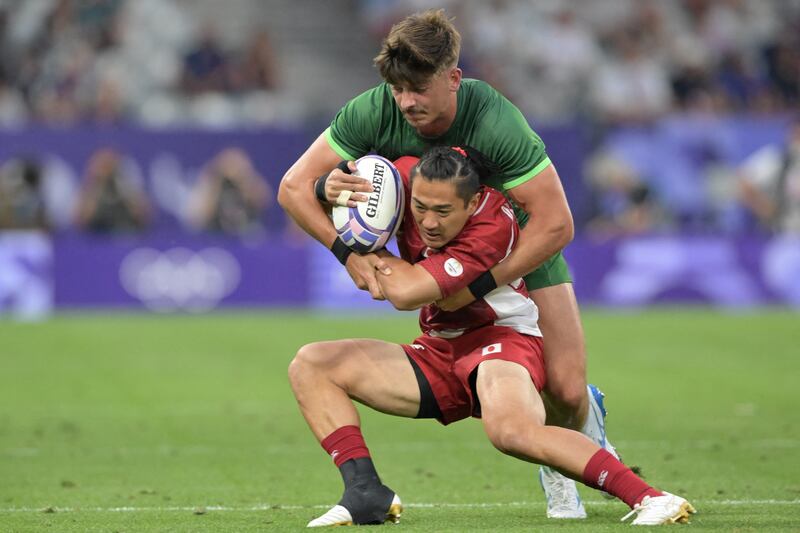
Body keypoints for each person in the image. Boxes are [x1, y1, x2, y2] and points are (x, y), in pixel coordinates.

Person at [278, 9, 613, 518]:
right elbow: (293, 187)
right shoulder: (373, 109)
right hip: (443, 256)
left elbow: (557, 223)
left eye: (419, 88)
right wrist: (345, 247)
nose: (406, 101)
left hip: (521, 250)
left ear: (453, 78)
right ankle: (556, 463)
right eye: (397, 89)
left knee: (566, 390)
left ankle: (577, 434)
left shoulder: (495, 120)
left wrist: (480, 284)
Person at [289, 147, 695, 527]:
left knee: (512, 433)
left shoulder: (492, 226)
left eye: (443, 212)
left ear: (470, 204)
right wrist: (327, 187)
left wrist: (365, 249)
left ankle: (651, 497)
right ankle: (365, 493)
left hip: (501, 341)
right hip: (440, 346)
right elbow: (320, 196)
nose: (428, 222)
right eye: (420, 208)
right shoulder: (406, 176)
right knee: (313, 364)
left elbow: (405, 294)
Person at [738, 117, 800, 234]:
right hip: (785, 231)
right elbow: (743, 181)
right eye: (796, 135)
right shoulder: (778, 158)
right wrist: (764, 207)